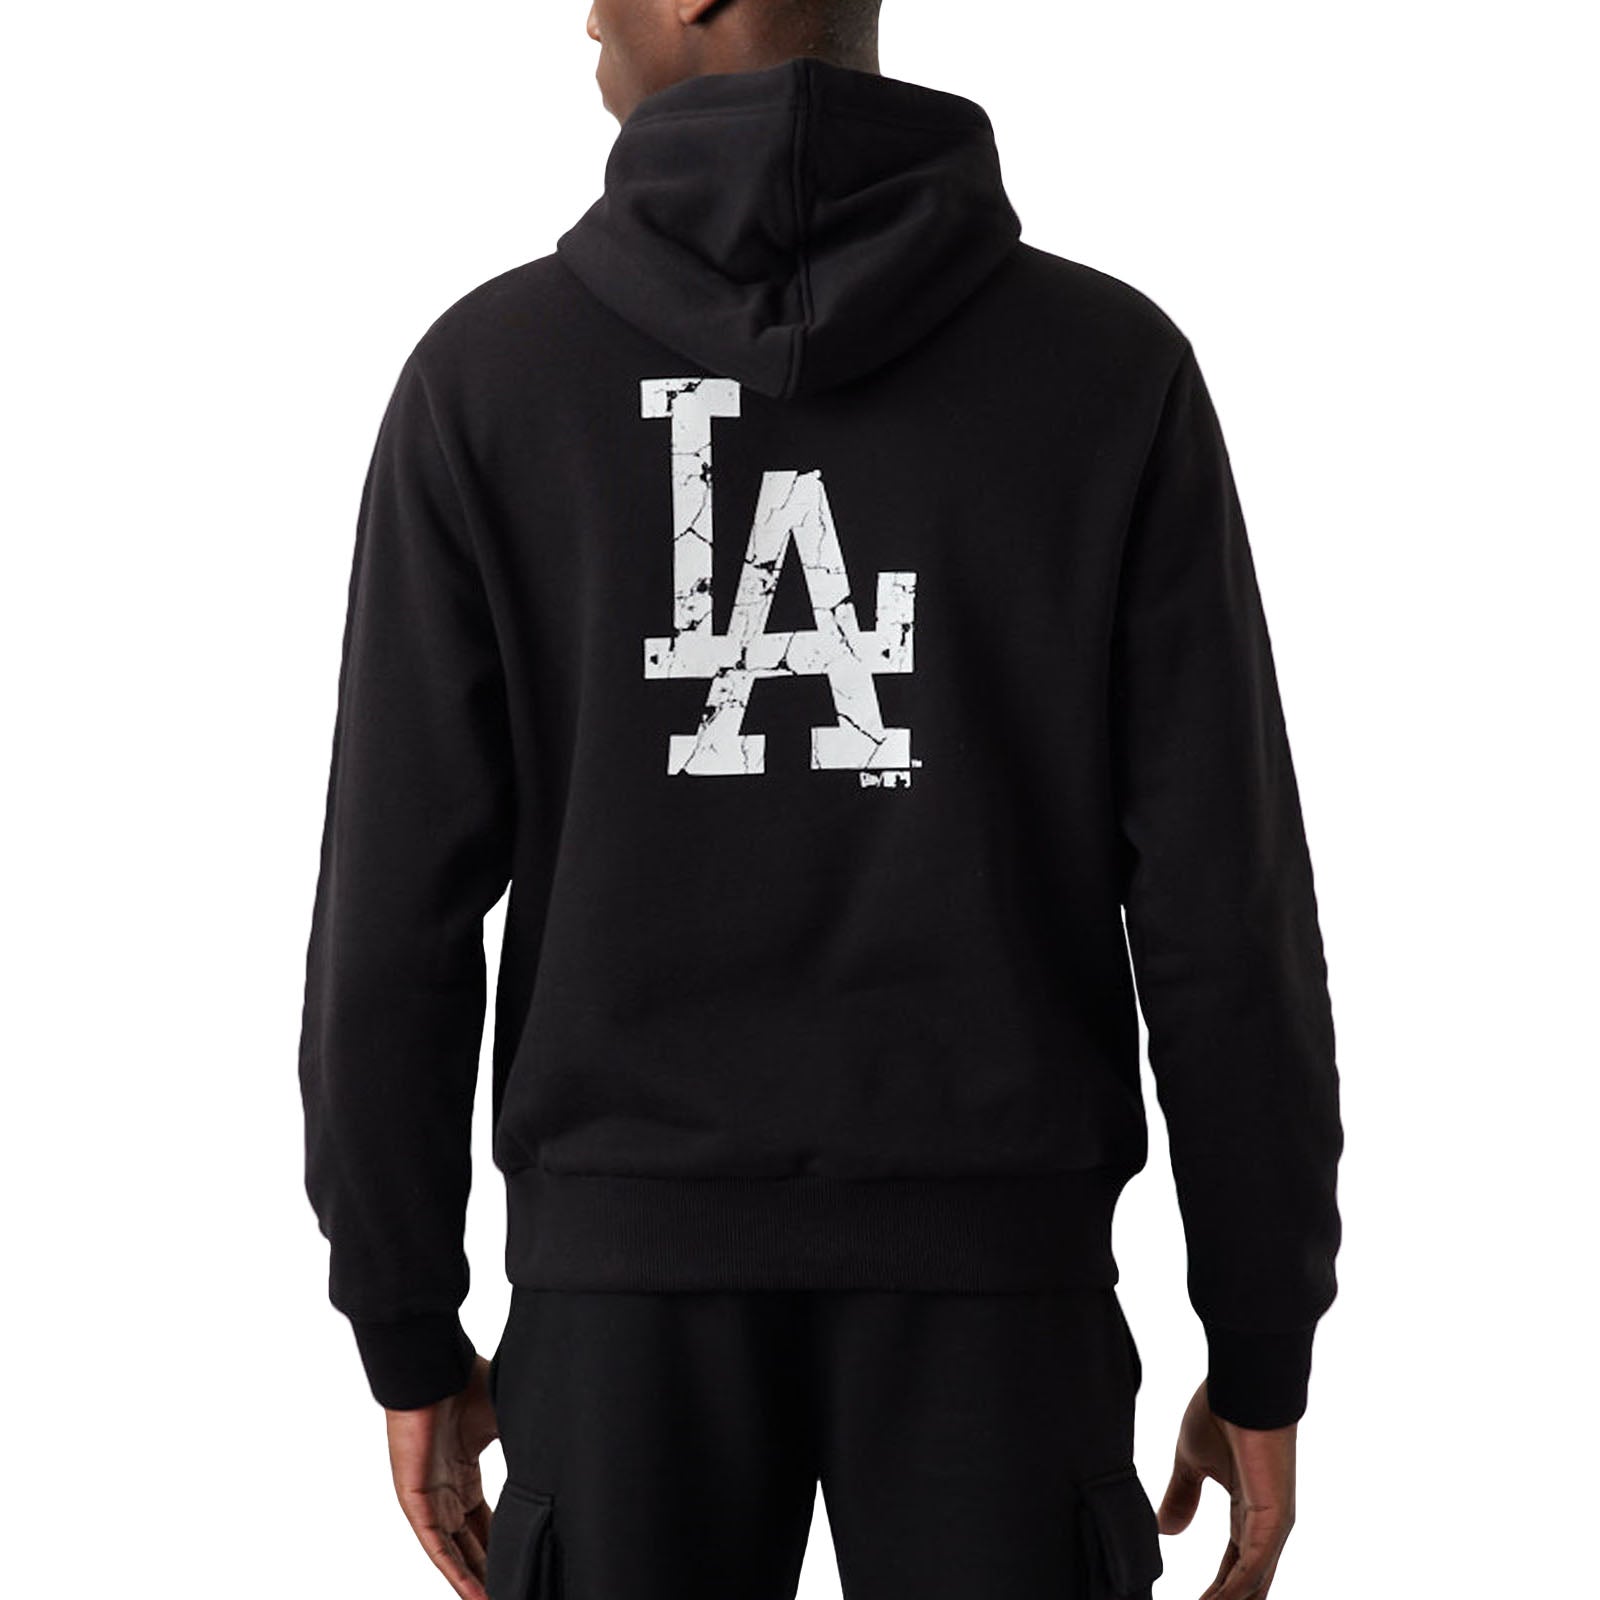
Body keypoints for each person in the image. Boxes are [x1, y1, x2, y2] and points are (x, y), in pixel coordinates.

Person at [296, 2, 1344, 1596]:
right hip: (1005, 1314)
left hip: (622, 1312)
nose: (581, 12)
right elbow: (1227, 915)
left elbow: (389, 920)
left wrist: (407, 1327)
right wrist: (1261, 1337)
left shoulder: (489, 380)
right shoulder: (1108, 371)